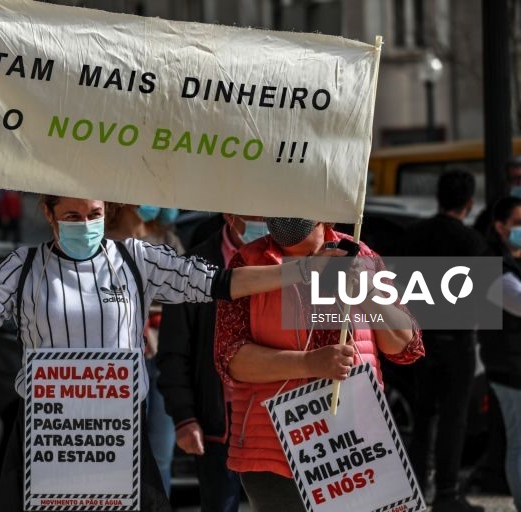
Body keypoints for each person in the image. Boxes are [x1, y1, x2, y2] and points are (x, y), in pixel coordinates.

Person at [0, 196, 345, 511]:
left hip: (118, 429)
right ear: (48, 215)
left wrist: (300, 272)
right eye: (71, 217)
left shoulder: (135, 257)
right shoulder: (23, 265)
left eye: (94, 215)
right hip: (47, 432)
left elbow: (219, 284)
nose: (84, 224)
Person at [214, 217, 425, 512]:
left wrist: (368, 294)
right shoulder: (248, 262)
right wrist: (309, 363)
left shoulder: (360, 255)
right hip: (275, 450)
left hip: (356, 444)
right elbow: (230, 357)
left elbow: (406, 347)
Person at [157, 213, 267, 512]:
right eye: (256, 216)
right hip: (220, 420)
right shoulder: (191, 268)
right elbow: (173, 350)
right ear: (231, 216)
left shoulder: (286, 260)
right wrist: (184, 417)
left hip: (277, 414)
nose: (266, 221)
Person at [397, 170, 485, 511]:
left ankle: (416, 487)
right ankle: (447, 493)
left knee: (424, 417)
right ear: (468, 202)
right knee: (454, 417)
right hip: (458, 340)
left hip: (419, 338)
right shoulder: (472, 242)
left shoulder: (414, 236)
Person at [105, 203, 185, 497]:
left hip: (164, 358)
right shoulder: (103, 241)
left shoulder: (166, 238)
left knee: (161, 454)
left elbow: (183, 292)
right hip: (122, 361)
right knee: (125, 452)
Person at [481, 196, 521, 511]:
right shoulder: (493, 264)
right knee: (519, 444)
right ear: (500, 226)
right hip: (509, 368)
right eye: (518, 223)